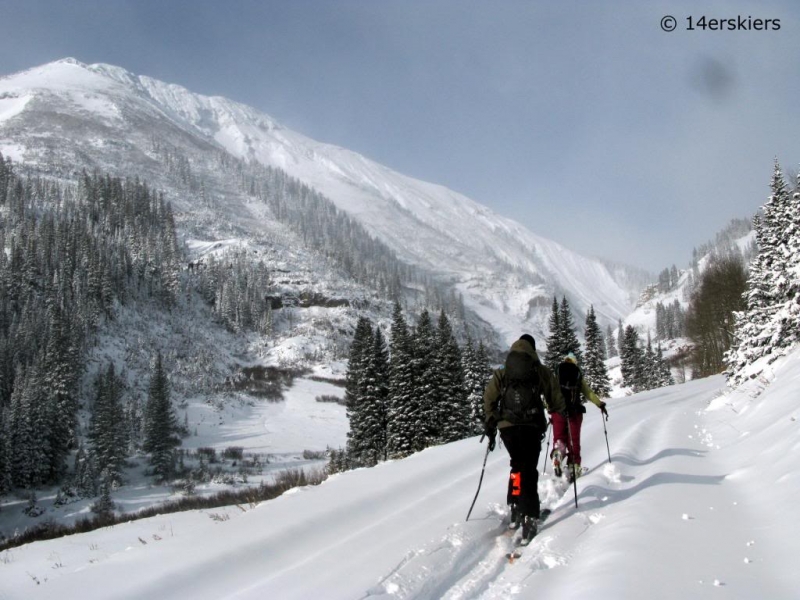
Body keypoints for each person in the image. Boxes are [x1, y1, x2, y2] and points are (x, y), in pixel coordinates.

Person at [483, 334, 566, 543]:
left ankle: (514, 506)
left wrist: (492, 420)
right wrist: (560, 412)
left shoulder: (503, 371)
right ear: (532, 348)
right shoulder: (538, 369)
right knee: (529, 469)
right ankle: (529, 515)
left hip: (508, 429)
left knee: (516, 467)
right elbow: (555, 397)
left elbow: (489, 398)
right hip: (530, 427)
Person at [550, 352, 608, 482]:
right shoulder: (577, 374)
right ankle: (574, 468)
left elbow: (550, 392)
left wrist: (551, 410)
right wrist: (600, 404)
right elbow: (588, 393)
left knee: (559, 438)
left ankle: (558, 454)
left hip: (558, 412)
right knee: (574, 442)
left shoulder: (557, 373)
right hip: (574, 413)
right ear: (575, 362)